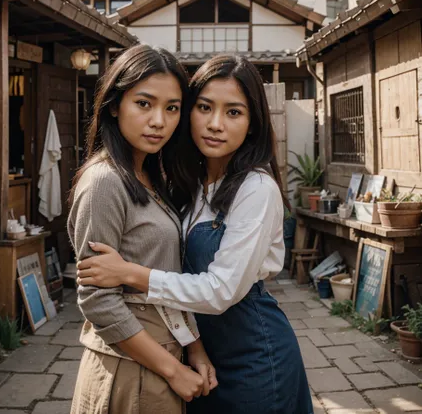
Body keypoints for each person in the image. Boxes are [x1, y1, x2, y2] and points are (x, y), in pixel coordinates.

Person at [77, 55, 314, 414]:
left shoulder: (256, 189)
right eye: (204, 107)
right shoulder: (182, 184)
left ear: (252, 124)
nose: (215, 124)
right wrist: (193, 349)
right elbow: (101, 293)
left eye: (233, 112)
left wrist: (130, 273)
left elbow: (221, 290)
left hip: (252, 353)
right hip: (191, 356)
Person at [68, 44, 217, 414]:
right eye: (144, 104)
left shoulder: (151, 176)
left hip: (161, 358)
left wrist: (194, 349)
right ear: (115, 104)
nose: (159, 121)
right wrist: (173, 371)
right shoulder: (105, 181)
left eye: (172, 108)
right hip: (131, 367)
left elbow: (168, 274)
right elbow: (97, 299)